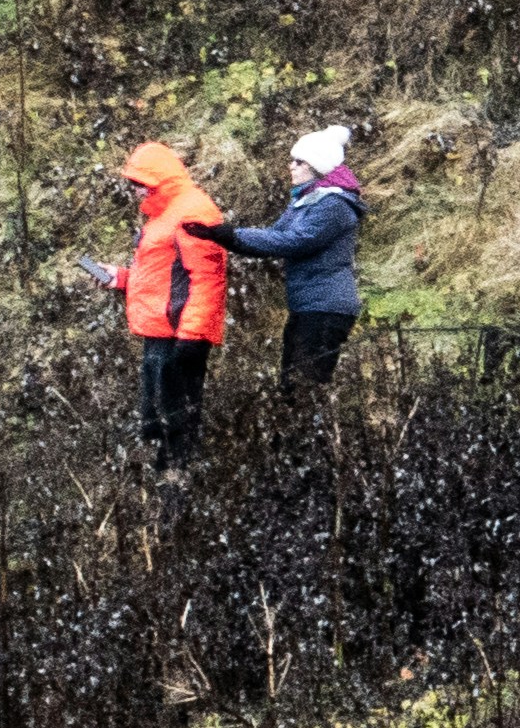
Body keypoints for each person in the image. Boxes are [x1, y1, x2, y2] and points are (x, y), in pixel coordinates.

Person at [89, 143, 238, 467]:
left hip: (180, 331)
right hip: (160, 329)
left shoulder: (192, 210)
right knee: (156, 416)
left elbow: (208, 277)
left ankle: (180, 484)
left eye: (140, 183)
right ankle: (162, 485)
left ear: (159, 180)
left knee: (178, 416)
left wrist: (193, 335)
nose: (135, 191)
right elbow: (159, 275)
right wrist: (120, 278)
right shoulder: (161, 215)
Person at [218, 118, 364, 396]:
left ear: (316, 167)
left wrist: (230, 236)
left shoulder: (334, 204)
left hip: (325, 308)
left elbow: (295, 242)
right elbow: (272, 238)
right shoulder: (305, 201)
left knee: (303, 389)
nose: (291, 166)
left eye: (299, 162)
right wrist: (225, 237)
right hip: (309, 306)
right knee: (292, 385)